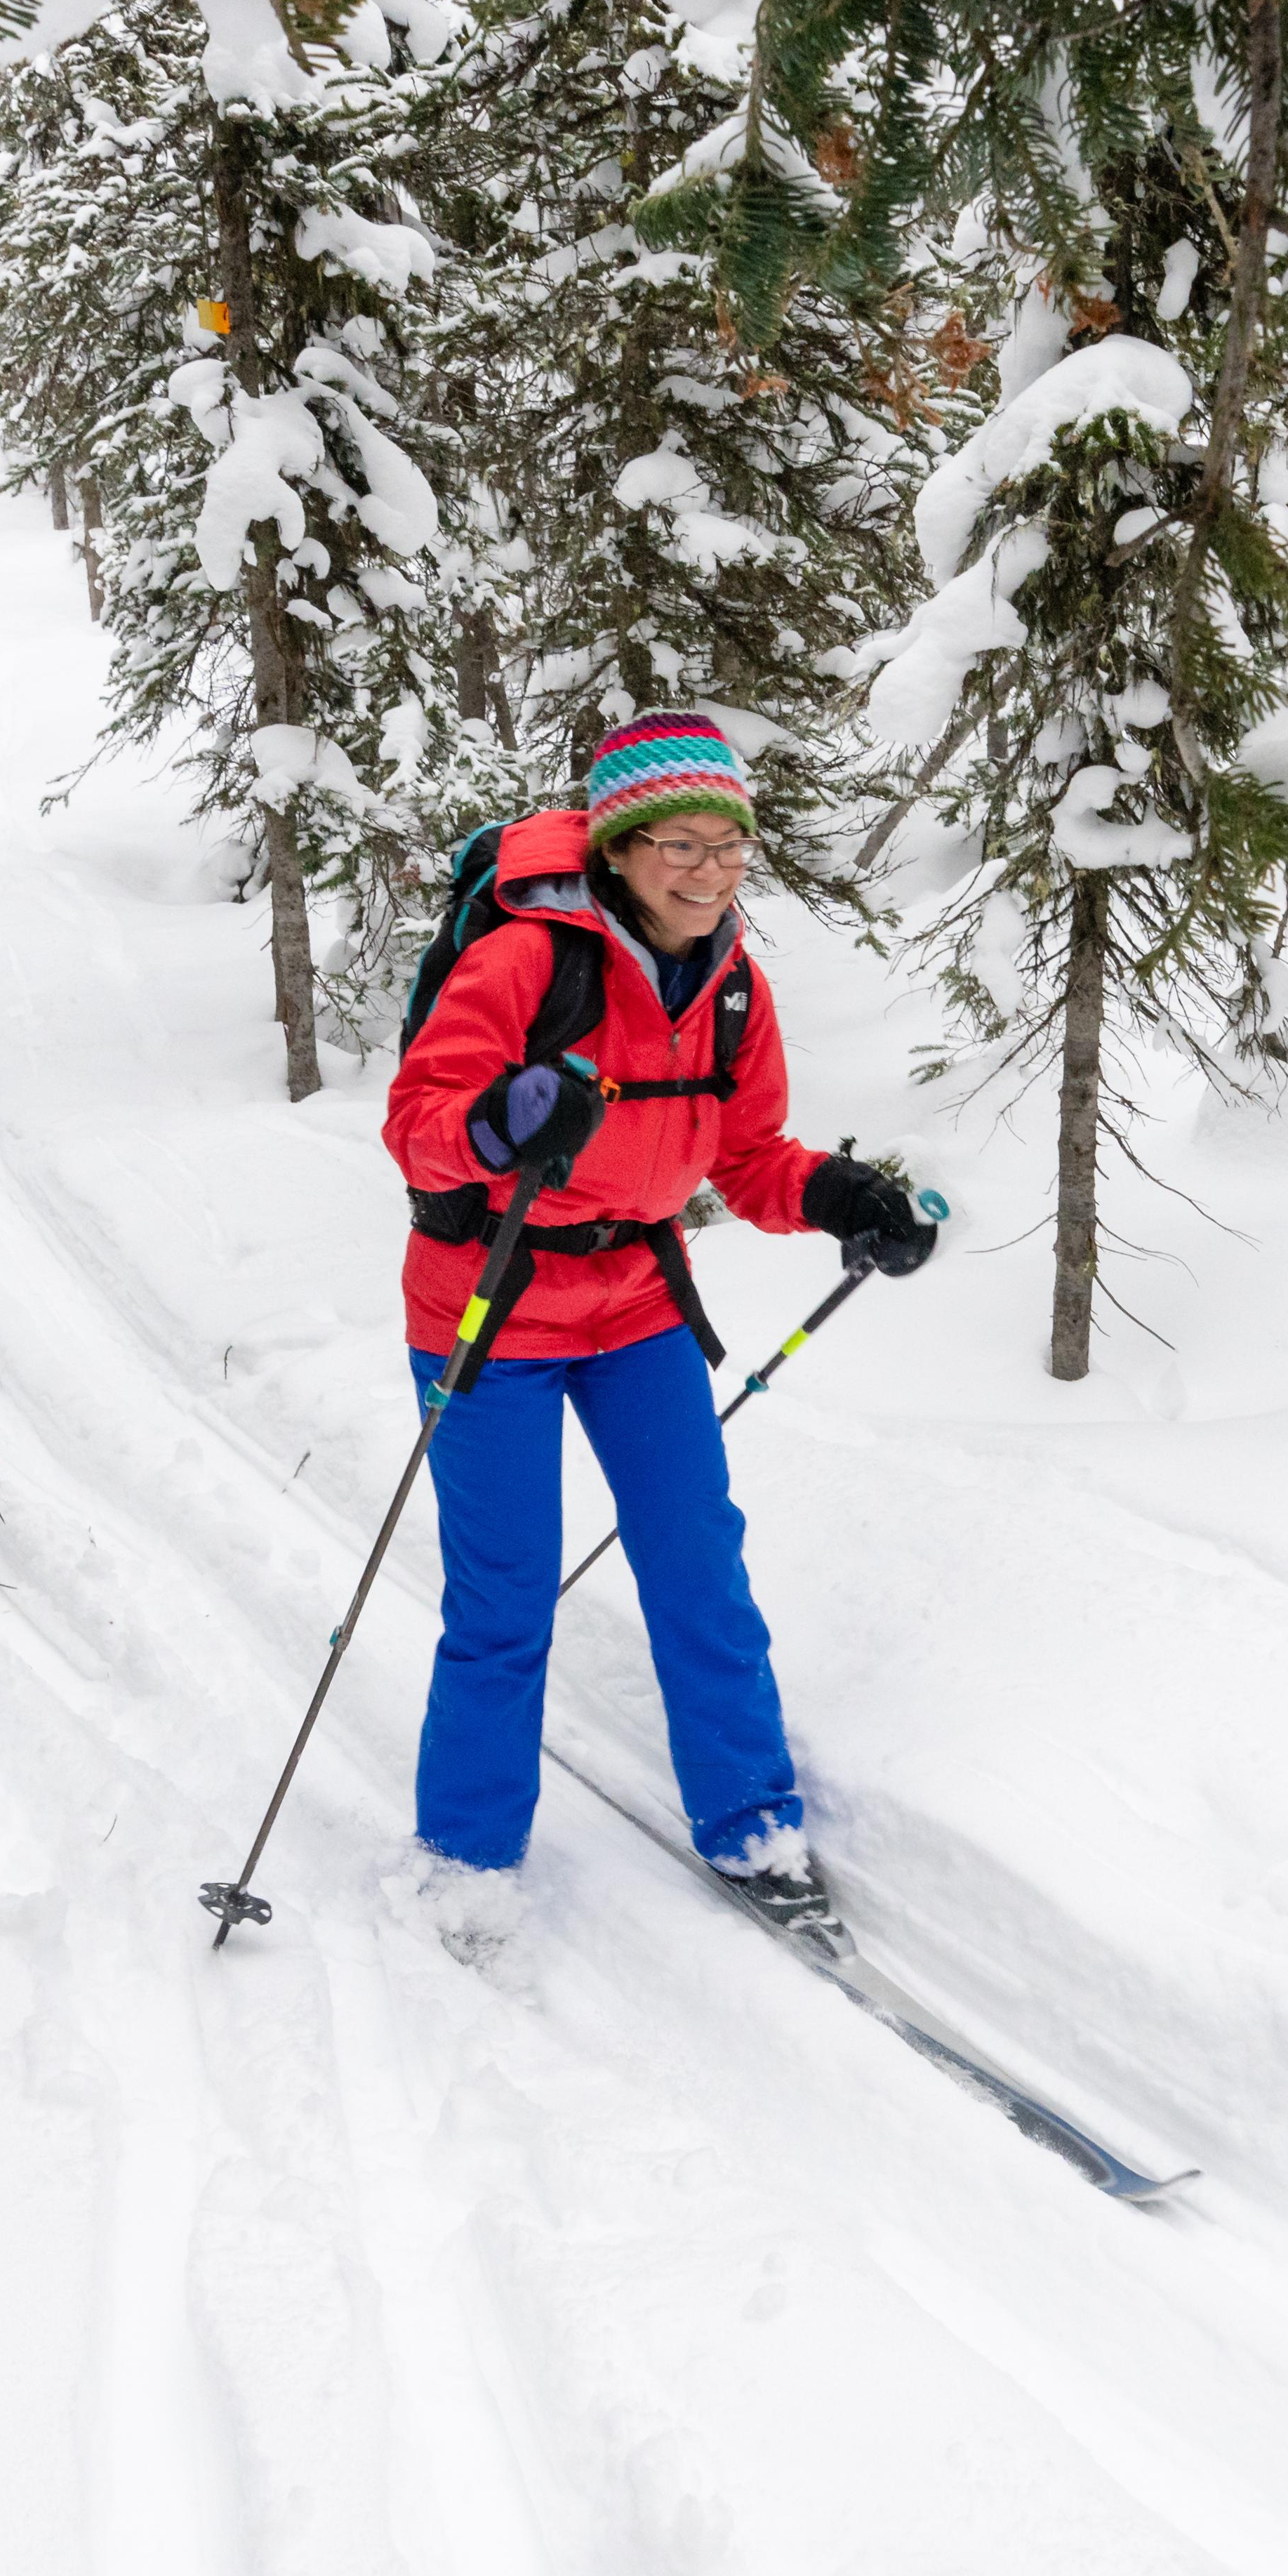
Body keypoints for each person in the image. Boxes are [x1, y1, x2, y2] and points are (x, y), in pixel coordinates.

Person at [383, 708, 936, 1942]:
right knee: (507, 1594)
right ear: (621, 850)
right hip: (494, 1300)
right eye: (679, 845)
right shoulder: (530, 959)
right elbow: (418, 1116)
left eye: (730, 845)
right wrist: (499, 1122)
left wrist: (839, 1195)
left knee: (697, 1562)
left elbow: (747, 1159)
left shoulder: (735, 982)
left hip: (636, 1300)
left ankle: (752, 1821)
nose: (708, 870)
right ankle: (468, 1853)